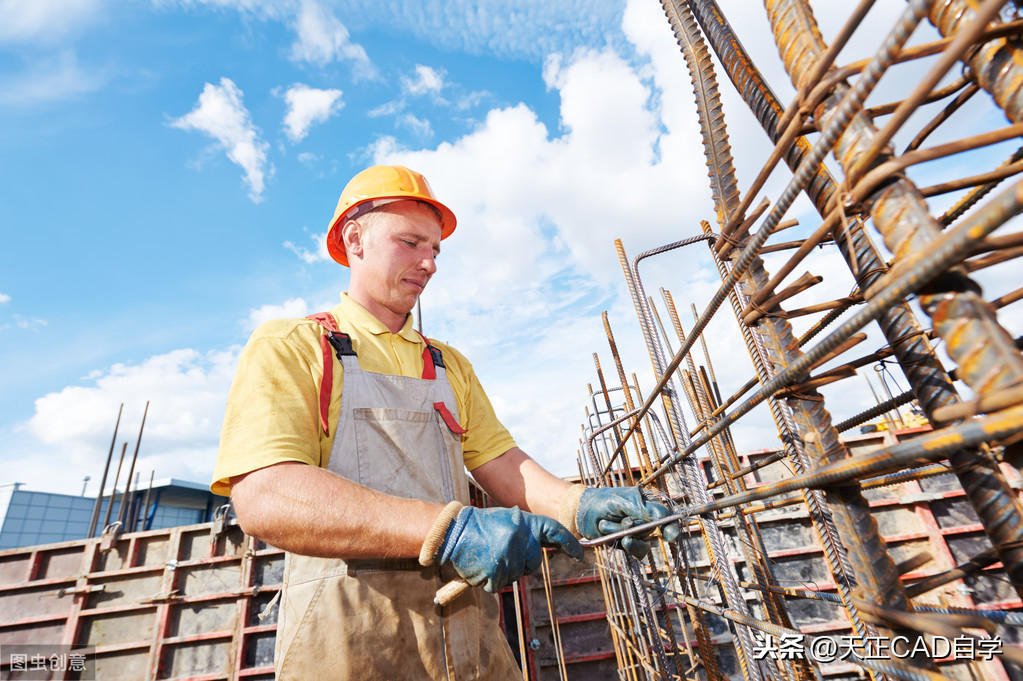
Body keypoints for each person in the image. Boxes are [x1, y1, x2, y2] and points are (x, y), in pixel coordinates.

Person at [211, 165, 680, 680]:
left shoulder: (447, 364)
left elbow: (501, 463)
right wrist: (449, 530)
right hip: (351, 647)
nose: (429, 263)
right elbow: (266, 495)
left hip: (468, 645)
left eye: (436, 249)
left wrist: (578, 504)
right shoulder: (295, 346)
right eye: (411, 243)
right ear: (355, 239)